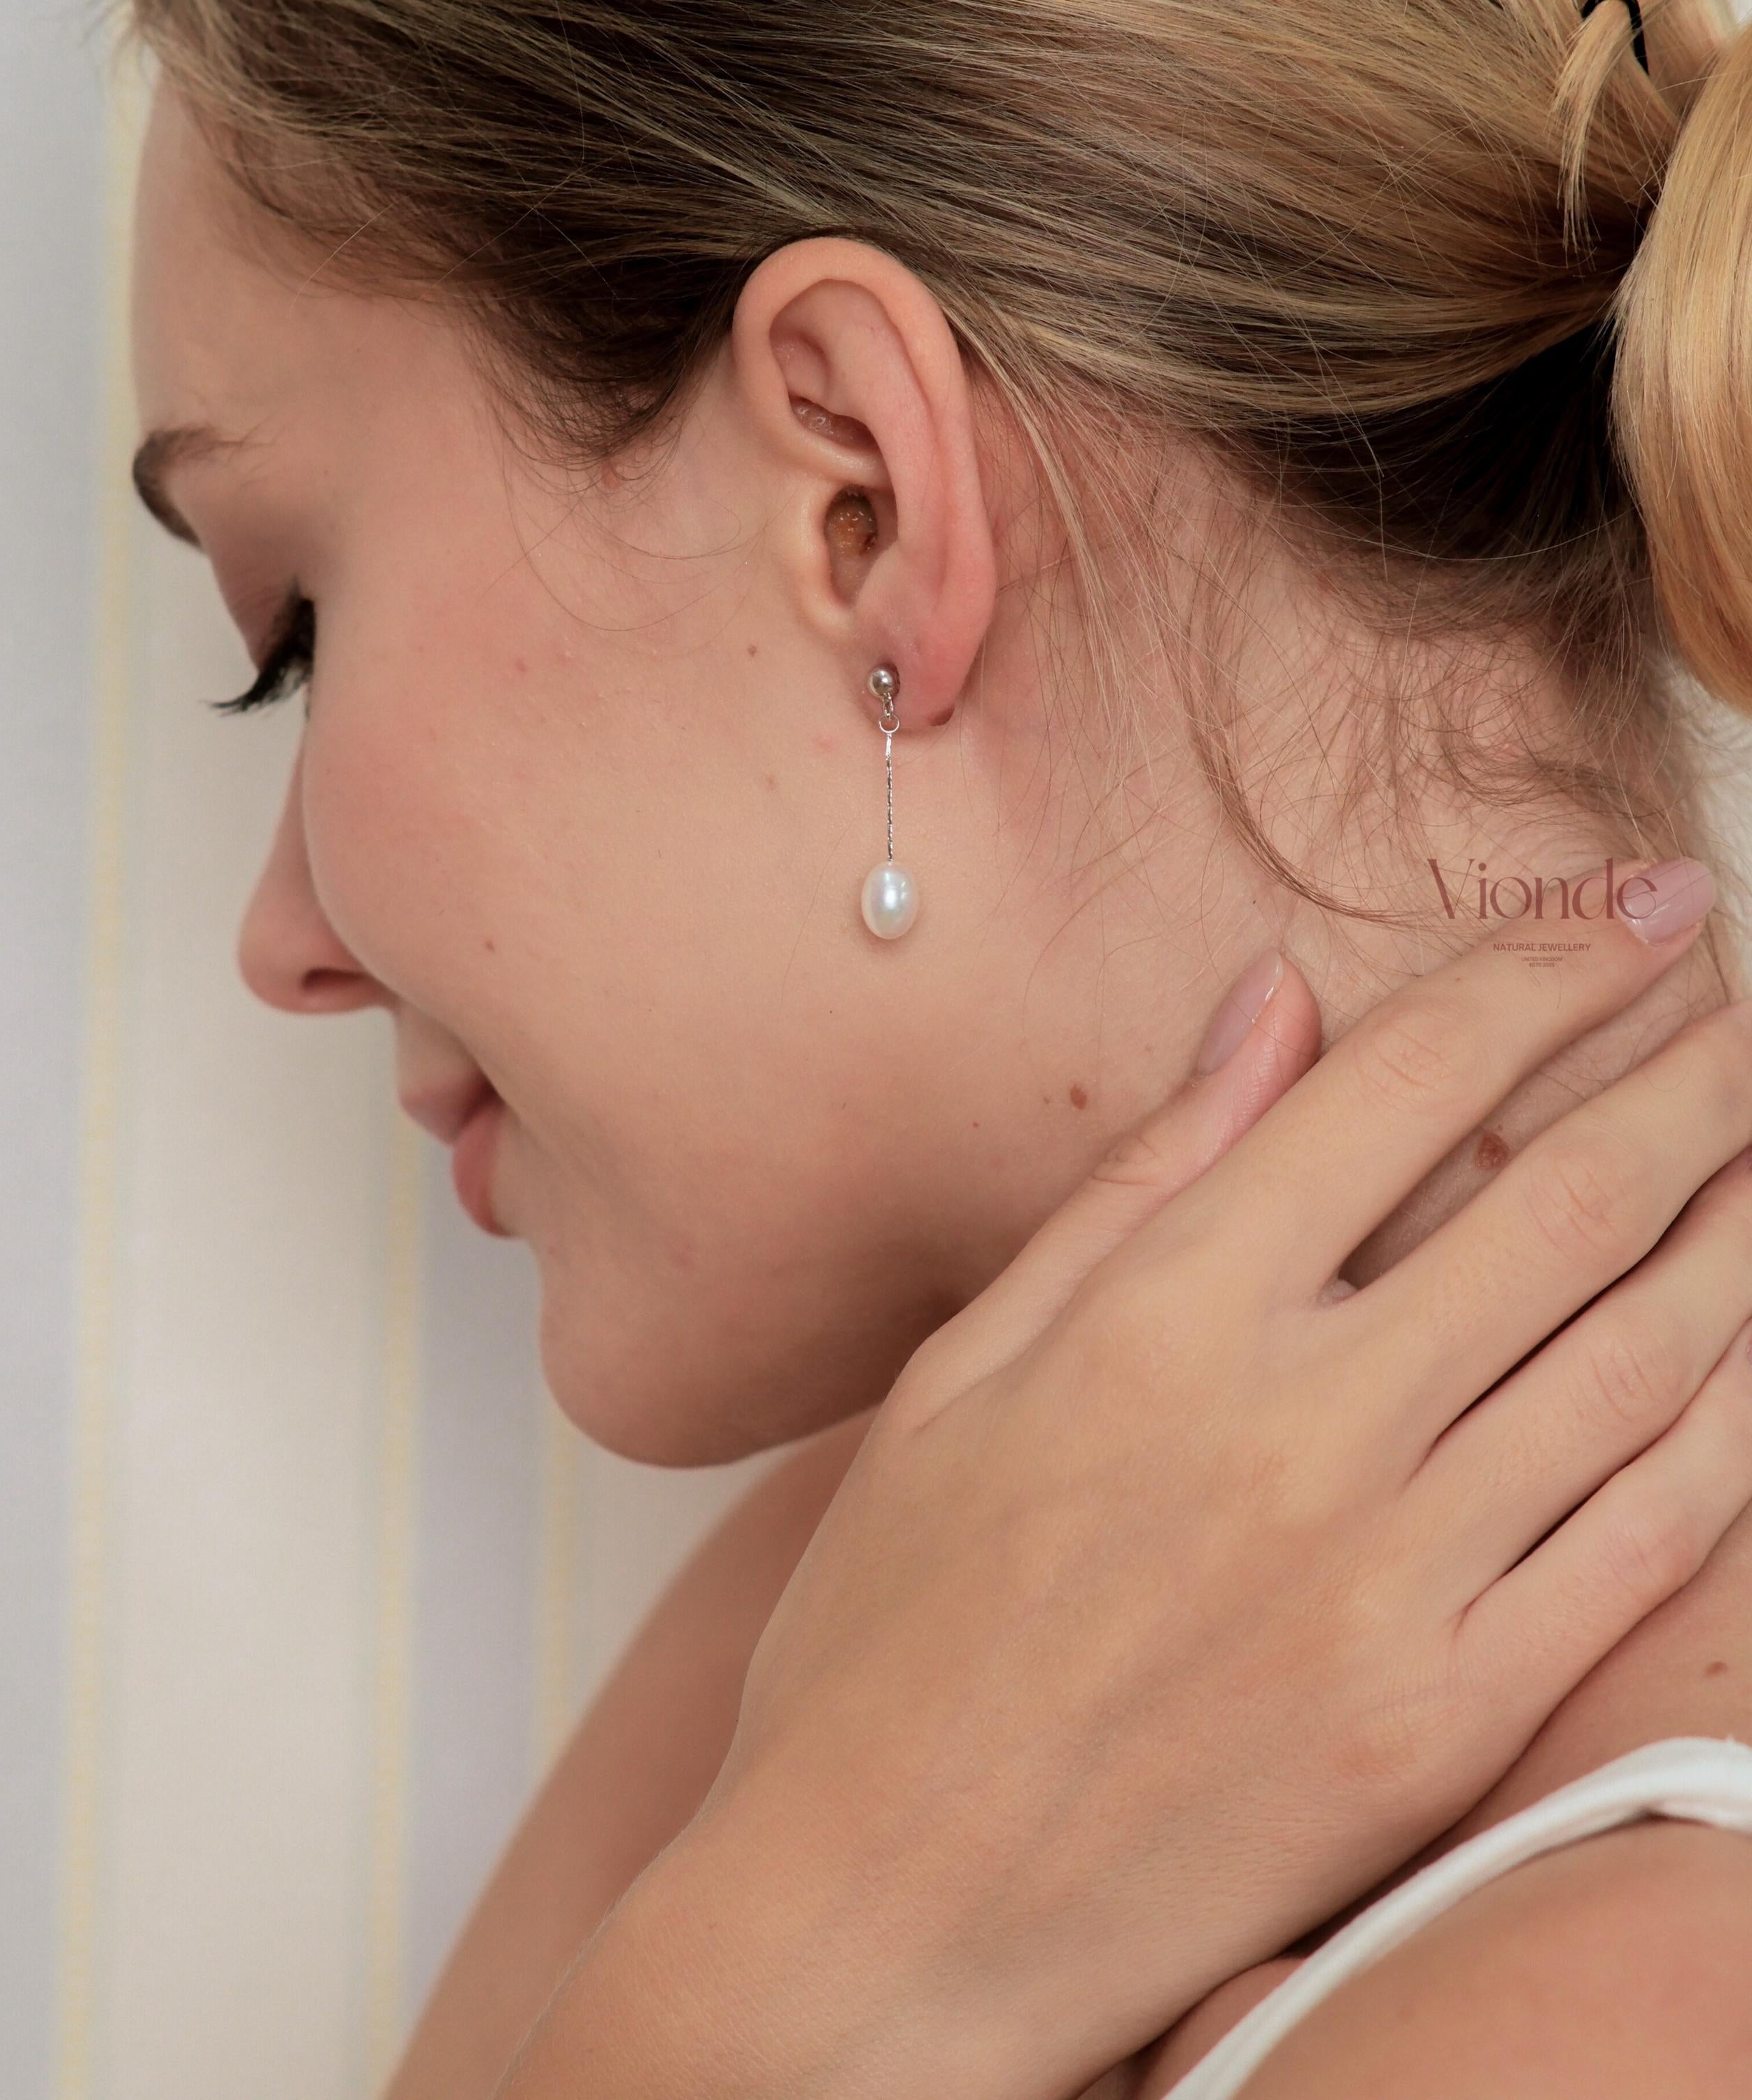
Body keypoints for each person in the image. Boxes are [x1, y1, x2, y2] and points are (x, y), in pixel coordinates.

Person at [112, 0, 1752, 2091]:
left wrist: (790, 1981)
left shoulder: (1634, 2008)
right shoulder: (918, 1628)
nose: (283, 946)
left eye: (299, 635)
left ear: (863, 501)